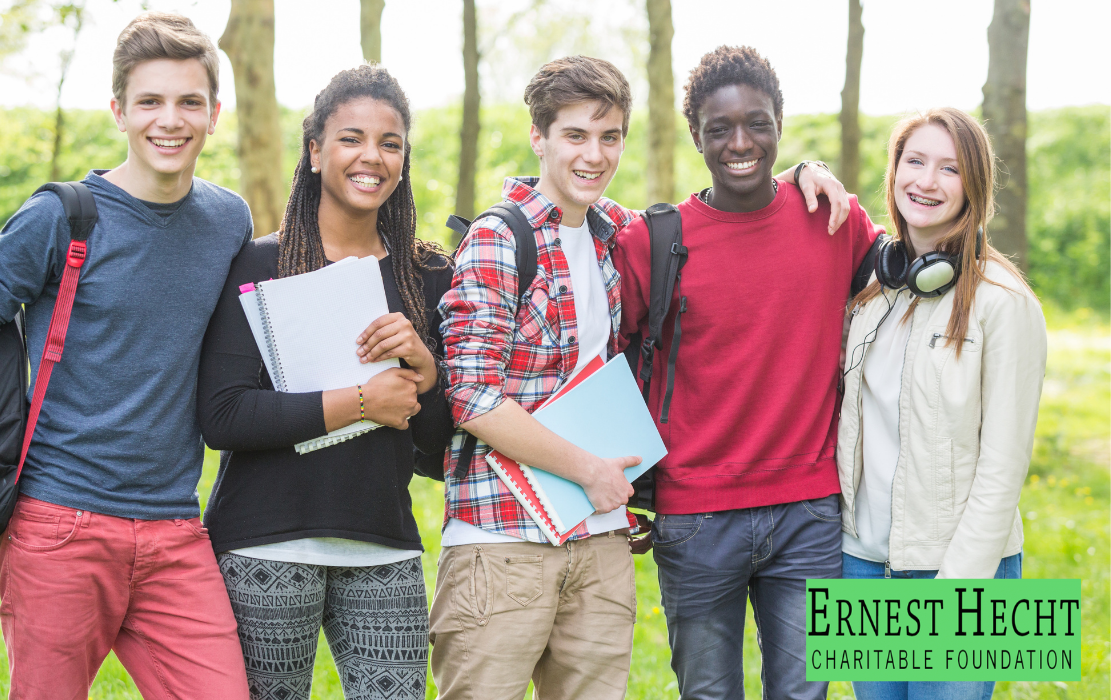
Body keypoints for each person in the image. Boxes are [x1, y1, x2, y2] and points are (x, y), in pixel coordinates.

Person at [433, 54, 850, 700]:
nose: (594, 155)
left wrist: (797, 173)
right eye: (575, 135)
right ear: (538, 137)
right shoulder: (499, 238)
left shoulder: (619, 234)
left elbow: (720, 209)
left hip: (600, 542)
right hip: (504, 540)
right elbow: (474, 397)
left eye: (610, 137)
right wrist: (589, 470)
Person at [0, 12, 252, 699]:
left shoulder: (229, 220)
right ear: (118, 111)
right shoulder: (60, 218)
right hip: (59, 526)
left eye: (189, 102)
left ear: (215, 114)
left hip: (174, 529)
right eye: (150, 101)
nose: (170, 120)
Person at [613, 46, 880, 700]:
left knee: (803, 694)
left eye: (756, 123)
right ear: (695, 136)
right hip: (696, 515)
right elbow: (610, 363)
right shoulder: (653, 240)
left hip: (809, 512)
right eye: (719, 128)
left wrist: (812, 172)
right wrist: (623, 483)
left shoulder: (834, 220)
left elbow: (905, 289)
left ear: (780, 124)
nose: (740, 142)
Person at [198, 65, 454, 700]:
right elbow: (223, 416)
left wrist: (426, 373)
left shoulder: (429, 275)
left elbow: (437, 447)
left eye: (390, 143)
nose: (372, 156)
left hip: (382, 544)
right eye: (351, 138)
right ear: (315, 151)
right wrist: (361, 401)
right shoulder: (259, 264)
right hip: (266, 545)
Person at [837, 107, 1046, 700]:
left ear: (973, 186)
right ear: (894, 171)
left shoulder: (1004, 304)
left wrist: (957, 590)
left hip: (958, 570)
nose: (926, 182)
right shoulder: (875, 295)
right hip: (864, 565)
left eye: (949, 168)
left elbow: (1003, 468)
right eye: (915, 161)